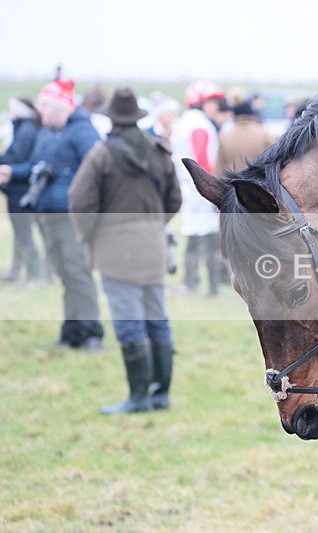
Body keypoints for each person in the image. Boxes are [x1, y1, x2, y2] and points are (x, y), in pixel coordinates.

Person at [69, 88, 182, 414]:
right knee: (157, 318)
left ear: (111, 119)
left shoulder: (101, 155)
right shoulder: (159, 151)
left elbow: (79, 202)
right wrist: (153, 225)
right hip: (153, 246)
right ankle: (160, 395)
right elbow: (174, 199)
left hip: (115, 250)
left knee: (129, 322)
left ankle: (139, 398)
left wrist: (93, 235)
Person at [0, 79, 105, 351]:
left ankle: (92, 333)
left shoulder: (82, 131)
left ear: (60, 108)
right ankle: (72, 332)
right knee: (65, 274)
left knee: (79, 273)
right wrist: (12, 173)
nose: (41, 112)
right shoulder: (47, 133)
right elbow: (36, 166)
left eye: (45, 106)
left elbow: (98, 170)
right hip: (49, 214)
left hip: (72, 217)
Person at [170, 81, 227, 296]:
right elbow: (202, 161)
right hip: (201, 188)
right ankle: (212, 286)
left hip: (187, 187)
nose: (216, 107)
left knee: (192, 233)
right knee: (210, 235)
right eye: (212, 102)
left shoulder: (183, 123)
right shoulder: (201, 125)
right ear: (200, 103)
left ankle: (191, 281)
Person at [0, 97, 45, 283]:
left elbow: (19, 160)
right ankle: (16, 272)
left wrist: (7, 169)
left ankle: (35, 274)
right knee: (21, 234)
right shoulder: (25, 129)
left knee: (24, 235)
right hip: (19, 189)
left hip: (20, 190)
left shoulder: (26, 131)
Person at [216, 98, 275, 174]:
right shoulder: (265, 134)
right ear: (251, 113)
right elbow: (273, 161)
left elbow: (219, 166)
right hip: (257, 179)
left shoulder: (224, 136)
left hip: (232, 179)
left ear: (234, 114)